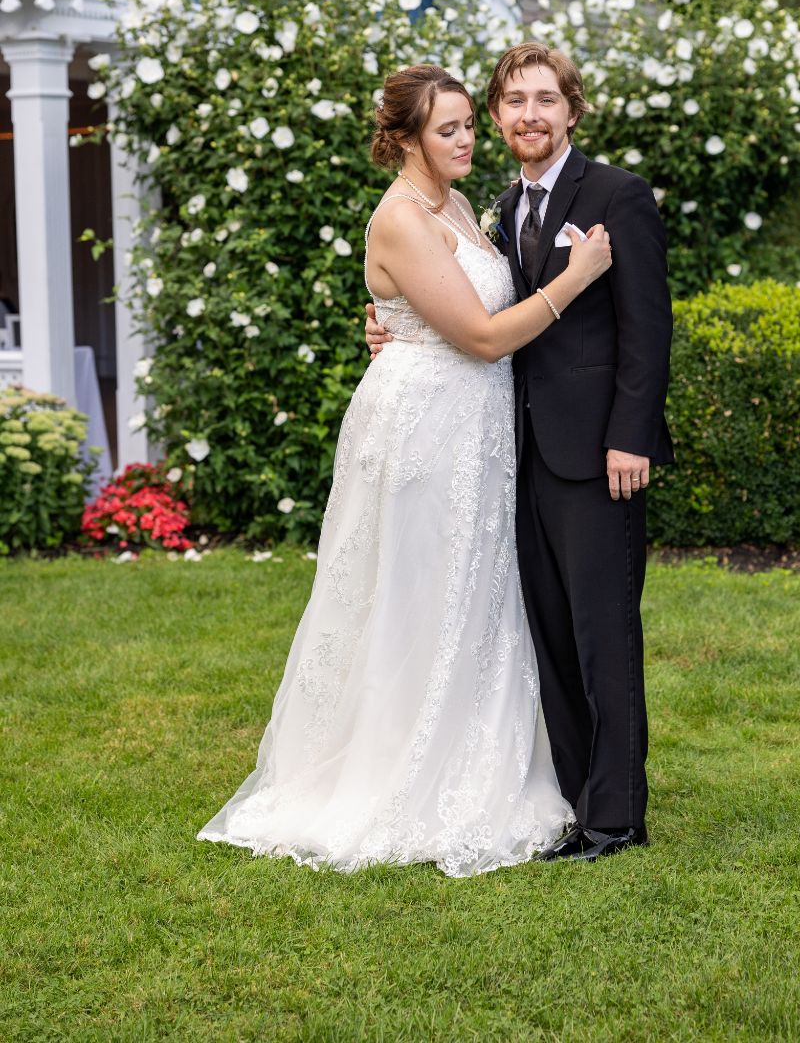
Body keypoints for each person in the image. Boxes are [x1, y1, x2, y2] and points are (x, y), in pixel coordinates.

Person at [198, 63, 612, 877]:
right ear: (406, 137)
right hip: (427, 429)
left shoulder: (456, 202)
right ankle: (401, 770)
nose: (468, 139)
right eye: (448, 129)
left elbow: (459, 306)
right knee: (419, 593)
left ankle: (481, 753)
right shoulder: (400, 217)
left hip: (475, 424)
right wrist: (577, 277)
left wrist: (390, 320)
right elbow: (484, 337)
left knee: (475, 593)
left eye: (467, 124)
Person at [367, 44, 673, 862]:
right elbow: (468, 312)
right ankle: (573, 799)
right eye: (512, 102)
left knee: (603, 637)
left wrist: (628, 439)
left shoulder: (616, 195)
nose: (526, 115)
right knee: (546, 637)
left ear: (572, 109)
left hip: (596, 455)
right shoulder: (497, 205)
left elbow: (648, 330)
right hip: (513, 452)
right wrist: (393, 330)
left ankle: (615, 818)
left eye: (545, 99)